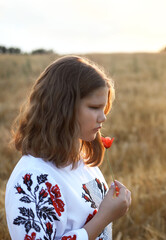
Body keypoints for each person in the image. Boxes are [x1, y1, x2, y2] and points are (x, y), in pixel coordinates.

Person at [5, 55, 131, 240]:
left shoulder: (84, 162)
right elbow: (100, 219)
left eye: (103, 109)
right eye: (94, 107)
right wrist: (105, 217)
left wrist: (110, 207)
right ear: (63, 107)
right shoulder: (30, 181)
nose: (103, 118)